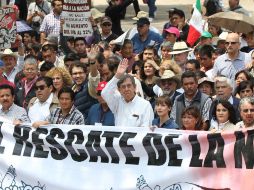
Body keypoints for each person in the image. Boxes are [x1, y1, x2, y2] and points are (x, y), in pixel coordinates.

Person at [101, 58, 154, 127]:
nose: (126, 89)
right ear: (119, 90)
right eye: (123, 87)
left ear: (135, 87)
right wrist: (118, 75)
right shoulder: (117, 101)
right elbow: (104, 93)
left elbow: (146, 129)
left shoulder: (145, 105)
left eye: (129, 86)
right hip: (118, 137)